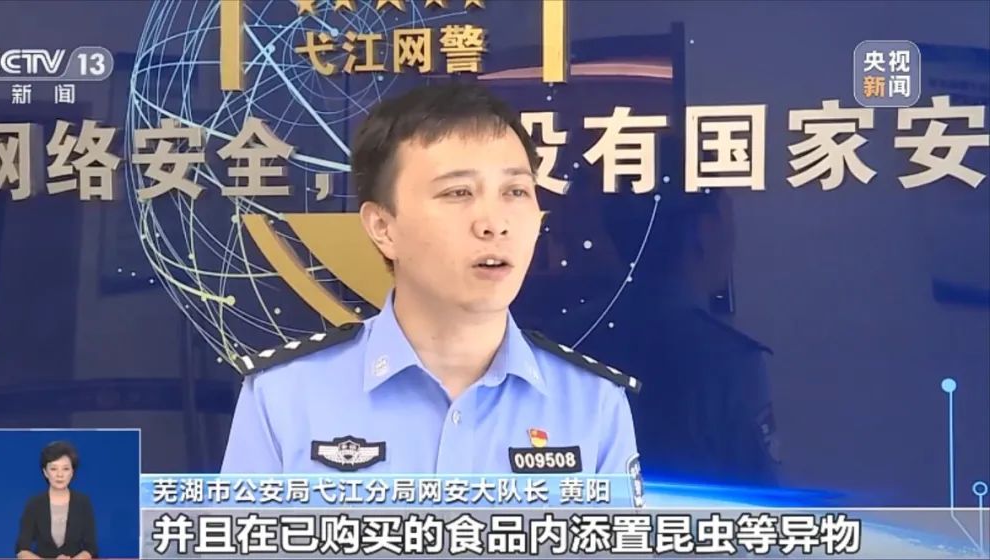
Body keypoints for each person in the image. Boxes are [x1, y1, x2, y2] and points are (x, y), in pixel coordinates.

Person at [221, 82, 644, 499]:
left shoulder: (592, 405)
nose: (494, 224)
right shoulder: (284, 397)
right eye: (458, 193)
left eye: (515, 191)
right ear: (383, 228)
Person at [593, 188, 781, 486]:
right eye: (728, 218)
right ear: (704, 231)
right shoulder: (727, 361)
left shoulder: (567, 340)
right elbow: (761, 496)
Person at [15, 441, 98, 559]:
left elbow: (91, 548)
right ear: (45, 472)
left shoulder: (83, 503)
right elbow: (21, 549)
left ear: (72, 472)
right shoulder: (34, 504)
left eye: (65, 469)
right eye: (53, 469)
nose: (60, 474)